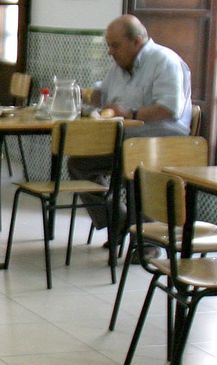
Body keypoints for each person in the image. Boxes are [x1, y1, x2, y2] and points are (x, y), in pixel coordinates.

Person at [71, 14, 192, 235]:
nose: (110, 51)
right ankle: (117, 220)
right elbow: (103, 94)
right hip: (125, 139)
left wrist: (131, 112)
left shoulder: (164, 60)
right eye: (109, 46)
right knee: (79, 163)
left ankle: (147, 240)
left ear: (137, 41)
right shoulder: (119, 65)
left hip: (162, 139)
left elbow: (169, 109)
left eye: (115, 45)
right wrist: (82, 94)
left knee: (137, 160)